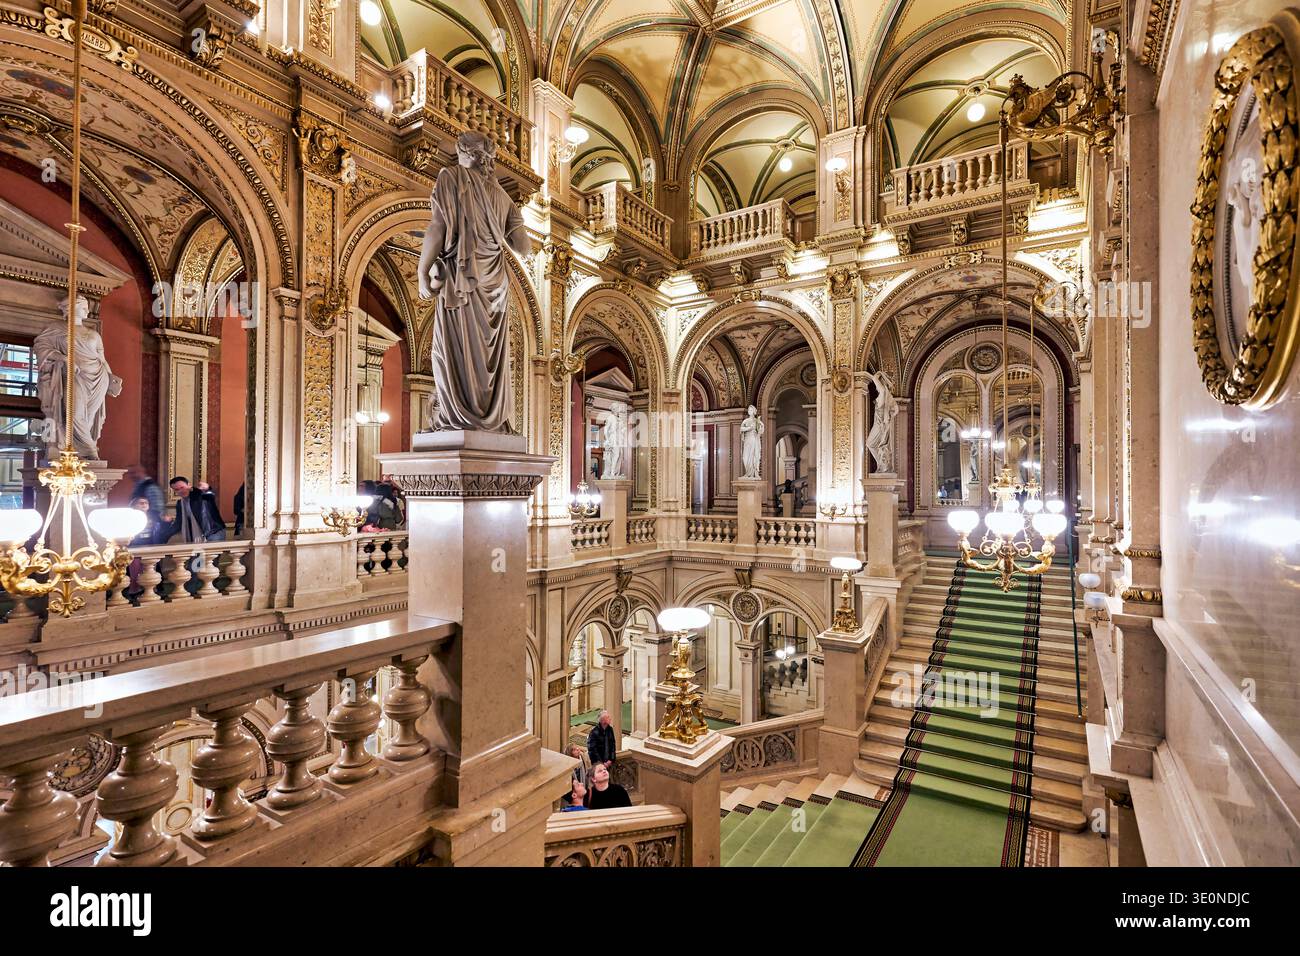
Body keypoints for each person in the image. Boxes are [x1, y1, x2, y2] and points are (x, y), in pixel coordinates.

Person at [166, 476, 227, 543]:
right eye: (176, 489)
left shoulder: (200, 495)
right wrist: (165, 535)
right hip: (196, 536)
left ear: (188, 485)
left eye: (182, 487)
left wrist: (207, 488)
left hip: (214, 532)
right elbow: (178, 523)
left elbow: (211, 495)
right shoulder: (180, 504)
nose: (180, 491)